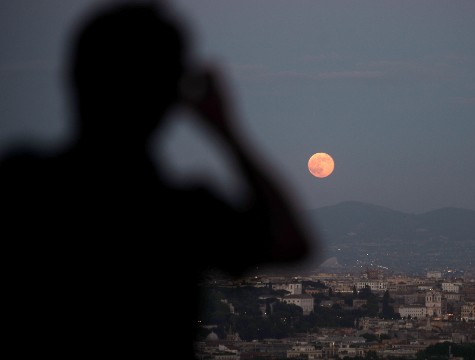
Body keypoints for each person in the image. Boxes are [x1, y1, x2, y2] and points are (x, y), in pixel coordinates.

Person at [0, 2, 314, 359]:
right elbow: (292, 242)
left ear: (75, 78)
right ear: (172, 94)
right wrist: (227, 131)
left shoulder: (21, 183)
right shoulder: (184, 213)